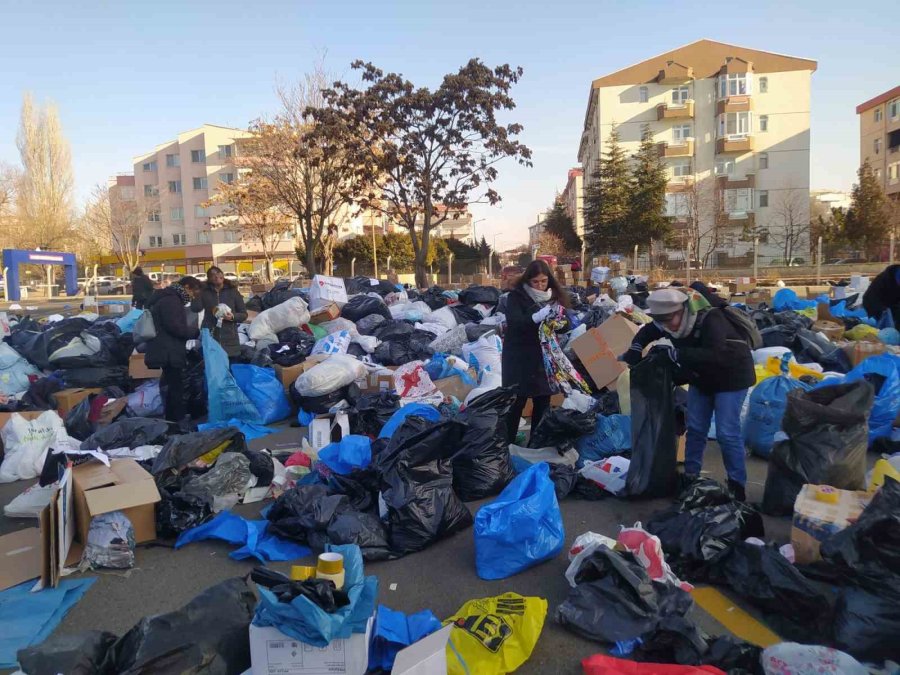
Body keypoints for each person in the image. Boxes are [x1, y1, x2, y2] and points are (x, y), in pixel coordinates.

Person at [621, 287, 755, 501]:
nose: (666, 326)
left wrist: (676, 354)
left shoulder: (711, 319)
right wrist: (635, 348)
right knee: (695, 428)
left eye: (669, 320)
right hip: (701, 378)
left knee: (727, 433)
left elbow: (717, 354)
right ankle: (691, 477)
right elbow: (648, 332)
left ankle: (737, 486)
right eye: (661, 321)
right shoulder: (668, 321)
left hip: (732, 376)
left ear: (682, 310)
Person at [502, 259, 571, 443]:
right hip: (519, 358)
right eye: (535, 282)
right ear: (528, 281)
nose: (540, 286)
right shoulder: (516, 297)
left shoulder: (554, 296)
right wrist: (536, 317)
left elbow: (567, 323)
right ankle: (506, 445)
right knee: (516, 403)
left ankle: (536, 444)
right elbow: (516, 324)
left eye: (543, 281)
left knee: (542, 403)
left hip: (543, 359)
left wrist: (560, 323)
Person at [144, 276, 203, 423]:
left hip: (165, 348)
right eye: (193, 293)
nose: (192, 297)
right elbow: (176, 327)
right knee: (175, 387)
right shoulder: (172, 301)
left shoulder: (167, 297)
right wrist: (195, 332)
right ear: (187, 287)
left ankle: (172, 419)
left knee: (170, 385)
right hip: (170, 350)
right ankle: (175, 421)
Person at [195, 266, 248, 359]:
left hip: (230, 338)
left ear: (223, 275)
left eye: (218, 273)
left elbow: (244, 314)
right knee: (213, 370)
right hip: (211, 336)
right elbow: (195, 308)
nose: (216, 276)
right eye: (212, 275)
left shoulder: (233, 291)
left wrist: (232, 317)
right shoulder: (204, 292)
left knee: (231, 368)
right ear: (209, 279)